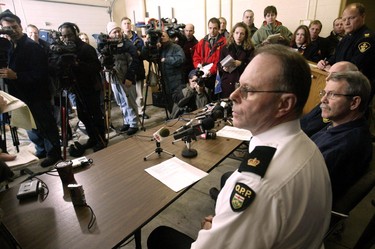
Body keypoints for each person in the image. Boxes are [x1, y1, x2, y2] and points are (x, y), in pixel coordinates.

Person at [147, 44, 332, 249]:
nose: (234, 96)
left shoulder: (257, 184)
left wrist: (211, 232)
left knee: (159, 236)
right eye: (239, 85)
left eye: (248, 90)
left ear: (284, 104)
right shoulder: (308, 147)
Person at [0, 10, 62, 167]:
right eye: (7, 28)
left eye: (15, 27)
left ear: (21, 27)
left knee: (45, 124)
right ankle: (41, 149)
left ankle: (54, 153)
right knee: (30, 125)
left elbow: (41, 74)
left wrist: (17, 75)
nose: (12, 31)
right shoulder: (9, 46)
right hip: (19, 95)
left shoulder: (32, 47)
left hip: (37, 94)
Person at [311, 71, 372, 202]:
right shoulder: (340, 127)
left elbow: (305, 188)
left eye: (332, 94)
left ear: (354, 103)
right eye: (324, 93)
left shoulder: (348, 145)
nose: (323, 99)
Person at [56, 22, 106, 155]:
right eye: (64, 36)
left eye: (69, 35)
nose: (67, 38)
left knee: (95, 115)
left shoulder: (86, 48)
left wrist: (78, 64)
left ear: (76, 33)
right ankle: (93, 138)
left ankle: (101, 139)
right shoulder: (65, 49)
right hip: (76, 88)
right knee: (83, 115)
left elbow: (96, 67)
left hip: (90, 87)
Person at [317, 3, 375, 97]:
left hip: (355, 88)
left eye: (351, 18)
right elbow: (335, 57)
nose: (346, 23)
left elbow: (354, 67)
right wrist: (325, 62)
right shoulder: (346, 37)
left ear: (363, 17)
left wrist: (332, 69)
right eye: (344, 19)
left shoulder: (367, 38)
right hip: (340, 84)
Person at [301, 61, 359, 137]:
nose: (327, 78)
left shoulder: (339, 108)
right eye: (328, 74)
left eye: (334, 76)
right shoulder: (328, 98)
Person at [105, 21, 139, 135]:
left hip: (126, 78)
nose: (118, 34)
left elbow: (135, 61)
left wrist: (130, 77)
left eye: (118, 31)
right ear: (109, 34)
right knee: (121, 102)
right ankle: (127, 121)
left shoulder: (127, 44)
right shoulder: (108, 46)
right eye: (114, 32)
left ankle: (134, 124)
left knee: (130, 101)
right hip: (114, 79)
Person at [142, 30, 185, 113]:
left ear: (168, 37)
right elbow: (145, 56)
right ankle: (172, 116)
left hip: (176, 81)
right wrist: (146, 46)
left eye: (163, 36)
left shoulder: (175, 47)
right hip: (165, 82)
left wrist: (166, 60)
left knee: (178, 103)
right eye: (160, 36)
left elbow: (181, 59)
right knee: (169, 103)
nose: (161, 38)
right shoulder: (159, 49)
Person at [121, 17, 149, 120]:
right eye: (125, 23)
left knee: (140, 94)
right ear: (122, 26)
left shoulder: (138, 39)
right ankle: (131, 114)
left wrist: (139, 53)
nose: (127, 25)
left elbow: (143, 54)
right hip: (126, 72)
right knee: (128, 95)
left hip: (138, 69)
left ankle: (141, 111)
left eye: (128, 23)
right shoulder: (120, 40)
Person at [193, 17, 226, 100]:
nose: (212, 31)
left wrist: (211, 71)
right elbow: (196, 56)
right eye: (210, 28)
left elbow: (220, 60)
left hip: (216, 74)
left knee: (215, 97)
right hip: (203, 71)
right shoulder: (202, 42)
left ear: (219, 29)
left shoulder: (224, 42)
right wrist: (198, 65)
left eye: (215, 28)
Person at [218, 22, 254, 98]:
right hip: (228, 82)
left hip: (242, 81)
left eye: (242, 34)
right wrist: (223, 68)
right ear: (233, 34)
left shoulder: (250, 49)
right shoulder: (226, 47)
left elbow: (252, 66)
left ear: (245, 35)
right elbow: (219, 64)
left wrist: (241, 63)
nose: (239, 36)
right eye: (237, 33)